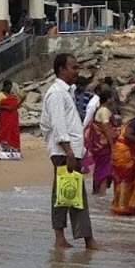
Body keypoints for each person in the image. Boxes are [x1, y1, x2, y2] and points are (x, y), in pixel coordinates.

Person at [39, 53, 99, 250]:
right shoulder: (56, 93)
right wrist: (69, 152)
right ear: (61, 69)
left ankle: (75, 238)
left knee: (69, 195)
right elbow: (58, 125)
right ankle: (78, 240)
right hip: (65, 152)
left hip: (70, 151)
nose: (77, 71)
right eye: (73, 68)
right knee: (68, 194)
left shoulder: (67, 92)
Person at [82, 89, 117, 195]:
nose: (114, 100)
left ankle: (96, 194)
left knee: (99, 168)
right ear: (108, 99)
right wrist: (112, 146)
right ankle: (102, 195)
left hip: (99, 146)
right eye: (112, 97)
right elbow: (106, 129)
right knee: (105, 171)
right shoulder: (104, 111)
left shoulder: (100, 110)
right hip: (104, 146)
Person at [110, 118, 135, 216]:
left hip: (123, 152)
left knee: (126, 180)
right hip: (125, 154)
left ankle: (125, 206)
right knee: (125, 179)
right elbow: (127, 135)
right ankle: (122, 208)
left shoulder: (134, 123)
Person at [0, 79, 22, 151]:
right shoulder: (0, 95)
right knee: (4, 131)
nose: (9, 89)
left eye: (10, 87)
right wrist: (6, 107)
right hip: (5, 115)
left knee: (14, 131)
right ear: (4, 87)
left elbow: (16, 105)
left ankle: (15, 148)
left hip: (13, 116)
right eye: (8, 87)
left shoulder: (12, 95)